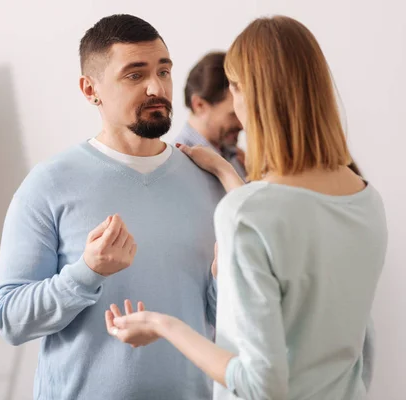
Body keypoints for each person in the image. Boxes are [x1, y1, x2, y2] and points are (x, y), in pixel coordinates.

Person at [107, 15, 387, 400]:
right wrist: (226, 172)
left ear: (248, 94)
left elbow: (260, 386)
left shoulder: (245, 214)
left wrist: (162, 324)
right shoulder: (367, 199)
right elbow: (362, 351)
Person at [0, 14, 223, 400]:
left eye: (163, 71)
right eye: (135, 75)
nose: (156, 87)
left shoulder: (206, 180)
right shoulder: (48, 184)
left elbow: (216, 321)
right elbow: (10, 319)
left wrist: (224, 283)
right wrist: (86, 273)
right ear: (90, 89)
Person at [175, 51, 246, 179]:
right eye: (233, 114)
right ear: (199, 105)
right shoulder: (177, 165)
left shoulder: (238, 158)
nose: (242, 125)